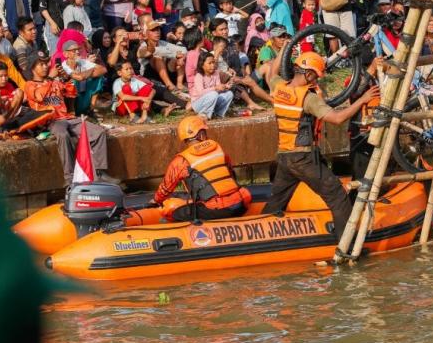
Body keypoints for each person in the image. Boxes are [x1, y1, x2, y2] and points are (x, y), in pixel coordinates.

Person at [263, 52, 380, 241]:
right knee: (338, 196)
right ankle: (347, 246)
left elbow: (271, 72)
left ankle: (263, 237)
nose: (316, 80)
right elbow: (337, 118)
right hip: (303, 159)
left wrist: (285, 46)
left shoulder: (279, 87)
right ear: (309, 74)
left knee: (277, 201)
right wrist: (362, 99)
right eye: (316, 76)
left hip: (284, 158)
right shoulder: (308, 98)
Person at [24, 51, 112, 186]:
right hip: (50, 121)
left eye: (46, 63)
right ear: (32, 68)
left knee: (98, 132)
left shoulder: (54, 82)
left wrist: (66, 79)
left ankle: (99, 173)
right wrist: (50, 79)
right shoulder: (30, 84)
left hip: (68, 118)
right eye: (40, 65)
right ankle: (69, 179)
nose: (45, 67)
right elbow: (39, 96)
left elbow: (72, 93)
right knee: (63, 135)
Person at [153, 116, 252, 221]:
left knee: (174, 213)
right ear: (201, 134)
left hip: (215, 209)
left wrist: (156, 201)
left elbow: (165, 188)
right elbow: (230, 173)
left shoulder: (181, 161)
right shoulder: (219, 150)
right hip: (239, 206)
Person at [59, 40, 106, 116]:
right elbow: (79, 77)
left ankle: (91, 108)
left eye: (78, 49)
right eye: (74, 50)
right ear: (65, 54)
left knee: (99, 78)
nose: (77, 52)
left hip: (82, 95)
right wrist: (90, 71)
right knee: (71, 84)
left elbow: (103, 69)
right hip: (69, 101)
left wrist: (86, 74)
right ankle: (71, 113)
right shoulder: (63, 66)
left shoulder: (82, 61)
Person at [190, 50, 234, 119]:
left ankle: (218, 114)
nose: (212, 65)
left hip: (212, 100)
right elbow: (200, 92)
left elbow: (218, 89)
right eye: (209, 63)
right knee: (213, 94)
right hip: (198, 104)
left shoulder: (216, 73)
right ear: (202, 65)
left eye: (213, 62)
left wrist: (225, 87)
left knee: (229, 93)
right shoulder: (199, 76)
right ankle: (205, 115)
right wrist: (215, 88)